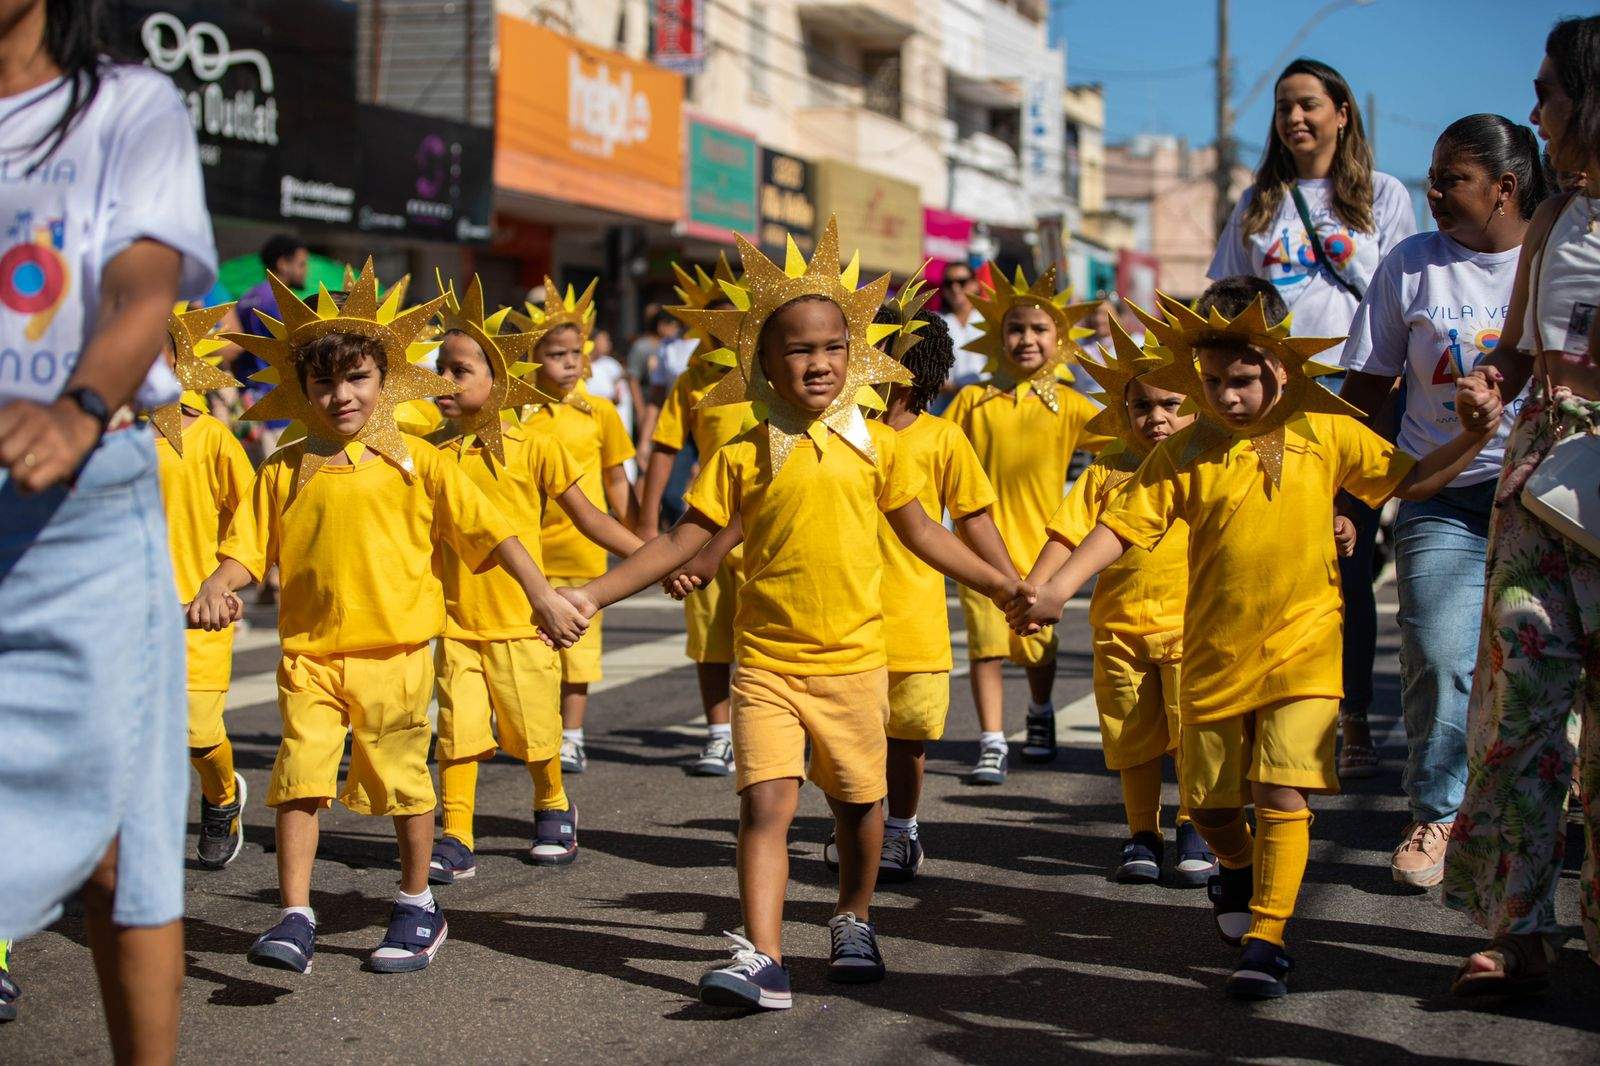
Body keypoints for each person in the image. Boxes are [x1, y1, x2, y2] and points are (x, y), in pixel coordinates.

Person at [556, 221, 1031, 1011]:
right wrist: (591, 594)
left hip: (853, 660)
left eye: (833, 348)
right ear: (764, 363)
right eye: (799, 349)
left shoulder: (876, 446)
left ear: (858, 358)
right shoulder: (743, 450)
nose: (818, 362)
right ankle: (764, 956)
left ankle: (852, 915)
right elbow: (685, 537)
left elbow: (923, 533)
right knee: (765, 806)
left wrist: (1001, 585)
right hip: (767, 663)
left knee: (859, 809)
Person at [1009, 287, 1500, 999]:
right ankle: (1235, 868)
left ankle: (1268, 939)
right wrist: (1056, 590)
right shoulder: (1184, 450)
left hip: (1304, 646)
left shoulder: (1325, 432)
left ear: (1281, 366)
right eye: (1210, 383)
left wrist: (1474, 439)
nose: (1225, 397)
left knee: (1280, 791)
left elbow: (1413, 481)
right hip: (1212, 656)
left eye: (1240, 381)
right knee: (1209, 809)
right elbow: (1120, 527)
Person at [186, 263, 588, 976]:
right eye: (323, 384)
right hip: (309, 658)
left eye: (358, 379)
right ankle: (295, 914)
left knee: (405, 784)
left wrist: (542, 595)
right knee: (300, 778)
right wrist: (220, 582)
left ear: (387, 380)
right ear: (303, 391)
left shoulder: (421, 464)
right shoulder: (283, 469)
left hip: (396, 657)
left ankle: (414, 902)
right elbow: (245, 549)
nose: (340, 396)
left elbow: (494, 533)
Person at [0, 0, 216, 1054]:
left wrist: (77, 407)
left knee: (120, 852)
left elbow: (143, 285)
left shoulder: (129, 106)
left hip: (76, 516)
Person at [1338, 114, 1552, 888]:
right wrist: (1343, 491)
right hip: (1441, 497)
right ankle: (1436, 813)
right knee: (1436, 652)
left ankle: (1547, 813)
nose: (1431, 192)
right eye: (1431, 176)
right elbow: (1365, 389)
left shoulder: (1558, 260)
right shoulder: (1411, 265)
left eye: (1451, 179)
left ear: (1505, 187)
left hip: (1548, 499)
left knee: (1542, 665)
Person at [1445, 14, 1600, 997]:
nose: (1534, 111)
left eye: (1547, 91)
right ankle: (1515, 928)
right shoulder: (1550, 219)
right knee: (1517, 716)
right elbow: (1515, 344)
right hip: (1539, 488)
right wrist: (1492, 382)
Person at [1209, 58, 1418, 778]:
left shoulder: (1385, 197)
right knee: (1262, 547)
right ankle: (1262, 706)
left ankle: (1351, 713)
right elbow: (1226, 297)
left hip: (1355, 395)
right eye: (1282, 109)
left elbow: (1402, 296)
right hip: (1270, 398)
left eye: (1307, 106)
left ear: (1341, 113)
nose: (1294, 119)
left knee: (1345, 555)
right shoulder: (1257, 202)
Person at [425, 278, 641, 883]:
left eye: (461, 369)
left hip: (526, 619)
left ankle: (552, 804)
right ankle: (456, 830)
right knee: (458, 729)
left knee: (534, 727)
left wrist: (659, 557)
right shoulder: (425, 452)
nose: (446, 380)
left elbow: (592, 518)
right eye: (441, 368)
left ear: (498, 377)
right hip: (455, 617)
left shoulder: (534, 445)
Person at [815, 289, 1011, 881]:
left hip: (914, 617)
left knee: (908, 740)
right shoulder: (832, 430)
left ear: (916, 370)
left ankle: (901, 828)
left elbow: (972, 516)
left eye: (882, 355)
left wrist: (1010, 583)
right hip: (842, 614)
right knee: (851, 739)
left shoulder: (942, 438)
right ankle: (857, 824)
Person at [1024, 317, 1214, 887]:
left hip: (1192, 627)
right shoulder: (1107, 470)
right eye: (1141, 407)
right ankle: (1141, 832)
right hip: (1117, 630)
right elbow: (1065, 535)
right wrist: (1035, 590)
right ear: (1123, 411)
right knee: (1131, 738)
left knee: (1192, 735)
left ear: (1200, 405)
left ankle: (1193, 824)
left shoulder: (1208, 463)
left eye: (1172, 404)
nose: (1156, 418)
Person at [943, 266, 1109, 786]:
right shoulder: (972, 401)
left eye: (1040, 330)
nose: (1027, 338)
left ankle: (1040, 710)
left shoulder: (1075, 407)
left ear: (1060, 340)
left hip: (1045, 549)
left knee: (1039, 646)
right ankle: (992, 740)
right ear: (997, 337)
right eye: (1016, 328)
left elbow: (1124, 452)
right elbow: (936, 455)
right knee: (986, 645)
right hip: (978, 546)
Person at [512, 281, 638, 776]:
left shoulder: (601, 412)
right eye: (555, 353)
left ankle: (573, 735)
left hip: (586, 546)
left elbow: (616, 479)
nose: (568, 362)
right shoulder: (518, 414)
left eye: (574, 352)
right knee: (534, 639)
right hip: (530, 546)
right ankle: (539, 727)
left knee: (580, 646)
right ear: (533, 355)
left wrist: (634, 539)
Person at [641, 257, 756, 776]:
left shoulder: (770, 371)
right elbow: (665, 448)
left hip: (768, 523)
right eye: (715, 319)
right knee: (710, 635)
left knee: (769, 632)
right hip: (702, 523)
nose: (725, 329)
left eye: (736, 318)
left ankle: (762, 728)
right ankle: (717, 733)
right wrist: (646, 524)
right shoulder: (693, 377)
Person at [151, 303, 256, 870]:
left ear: (179, 358)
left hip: (196, 610)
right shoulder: (96, 440)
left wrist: (224, 582)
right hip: (121, 617)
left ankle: (220, 797)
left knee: (196, 729)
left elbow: (253, 518)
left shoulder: (211, 437)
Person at [229, 233, 308, 462]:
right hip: (281, 410)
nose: (306, 271)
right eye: (301, 264)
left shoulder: (247, 297)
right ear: (283, 264)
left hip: (249, 406)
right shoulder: (279, 300)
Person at [937, 261, 987, 410]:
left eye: (962, 282)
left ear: (975, 284)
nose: (955, 288)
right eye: (948, 283)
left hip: (984, 404)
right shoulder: (934, 323)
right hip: (945, 407)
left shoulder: (991, 321)